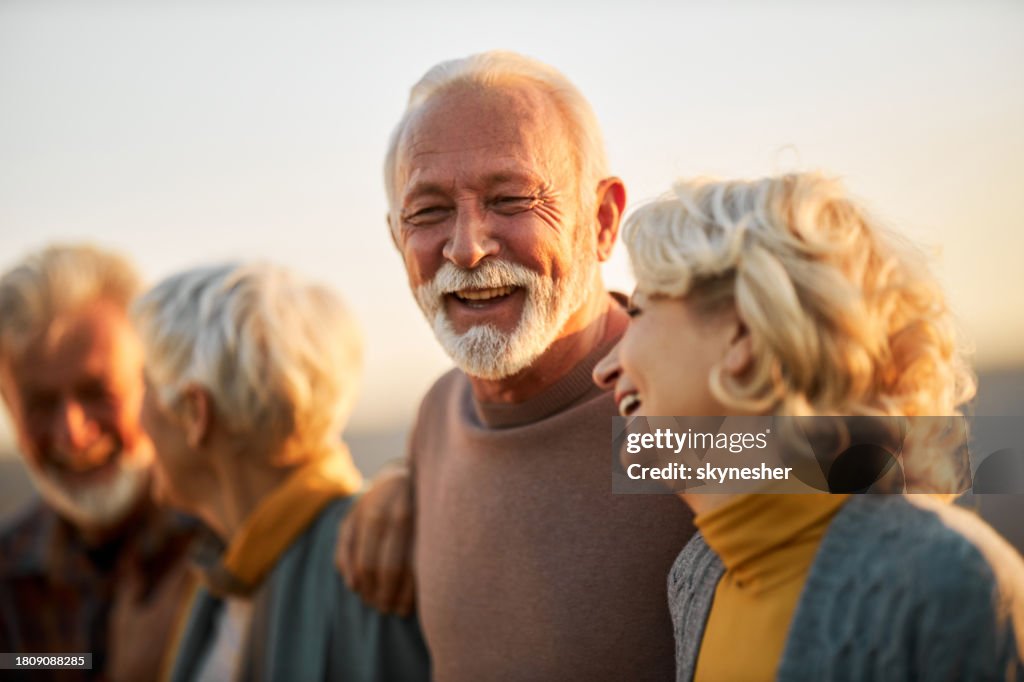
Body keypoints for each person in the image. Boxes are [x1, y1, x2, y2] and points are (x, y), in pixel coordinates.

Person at [336, 50, 696, 680]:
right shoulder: (439, 417)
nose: (467, 247)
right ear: (398, 239)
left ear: (603, 219)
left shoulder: (672, 407)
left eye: (510, 199)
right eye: (428, 212)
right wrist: (399, 479)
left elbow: (910, 459)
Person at [593, 173, 1024, 680]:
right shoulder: (696, 579)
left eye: (639, 312)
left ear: (743, 333)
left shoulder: (949, 582)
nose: (605, 370)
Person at [132, 262, 430, 681]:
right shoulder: (223, 568)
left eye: (144, 388)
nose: (137, 419)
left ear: (195, 413)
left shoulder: (377, 564)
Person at [0, 244, 198, 681]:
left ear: (155, 382)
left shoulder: (230, 542)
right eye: (40, 404)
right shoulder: (9, 579)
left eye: (97, 394)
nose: (72, 432)